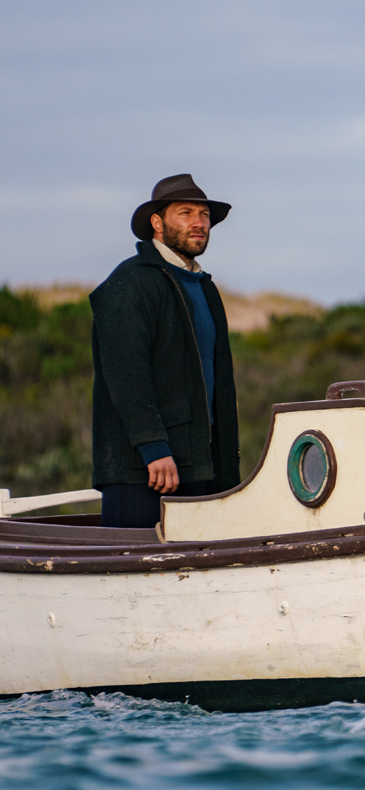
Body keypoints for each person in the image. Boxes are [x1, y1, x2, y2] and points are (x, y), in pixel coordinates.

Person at [89, 174, 241, 528]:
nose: (199, 223)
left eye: (204, 215)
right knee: (129, 577)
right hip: (143, 471)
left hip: (196, 464)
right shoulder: (130, 283)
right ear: (157, 223)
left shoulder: (203, 287)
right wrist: (154, 448)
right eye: (185, 213)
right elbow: (126, 374)